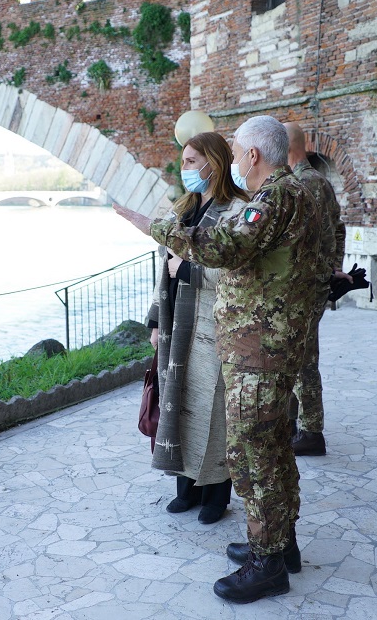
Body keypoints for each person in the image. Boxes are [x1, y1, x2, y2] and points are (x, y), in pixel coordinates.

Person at [114, 115, 327, 604]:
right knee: (271, 447)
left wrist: (156, 226)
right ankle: (281, 542)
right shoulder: (298, 195)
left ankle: (267, 561)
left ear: (253, 155)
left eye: (235, 152)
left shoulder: (274, 198)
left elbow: (221, 246)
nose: (232, 161)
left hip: (260, 349)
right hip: (270, 344)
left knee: (255, 452)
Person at [146, 132, 248, 525]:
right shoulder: (184, 207)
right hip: (177, 325)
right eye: (184, 161)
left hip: (213, 326)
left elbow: (237, 272)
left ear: (214, 163)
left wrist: (188, 268)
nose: (184, 168)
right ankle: (186, 488)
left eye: (191, 161)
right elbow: (164, 269)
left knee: (213, 409)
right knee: (181, 404)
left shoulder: (236, 210)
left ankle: (216, 495)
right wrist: (156, 320)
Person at [283, 122, 347, 457]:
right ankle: (297, 425)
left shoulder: (297, 184)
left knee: (302, 360)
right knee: (300, 356)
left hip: (301, 288)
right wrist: (334, 269)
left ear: (286, 147)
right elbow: (338, 228)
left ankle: (310, 432)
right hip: (315, 284)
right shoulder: (320, 181)